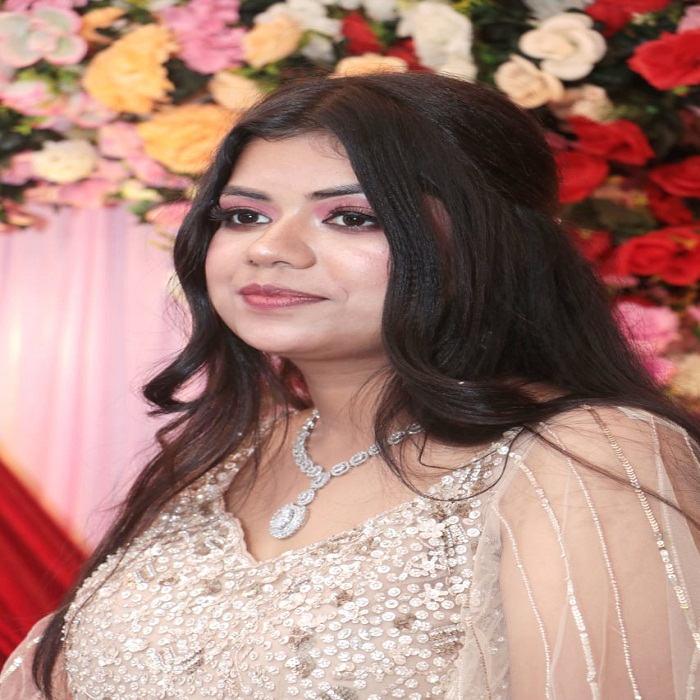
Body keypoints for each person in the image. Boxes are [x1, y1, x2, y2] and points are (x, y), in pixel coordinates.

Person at [2, 73, 699, 699]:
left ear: (487, 245)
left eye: (351, 218)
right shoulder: (219, 457)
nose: (269, 248)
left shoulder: (589, 457)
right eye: (244, 215)